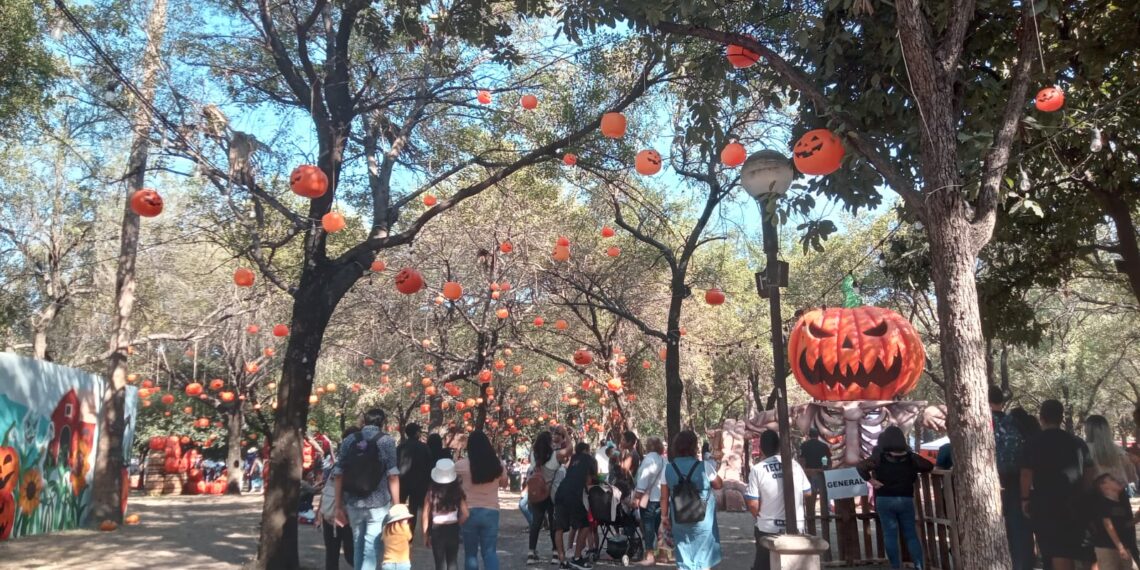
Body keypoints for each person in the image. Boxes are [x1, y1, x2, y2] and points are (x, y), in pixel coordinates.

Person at [1021, 399, 1095, 570]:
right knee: (1079, 548)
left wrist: (1024, 498)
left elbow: (1026, 473)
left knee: (1057, 550)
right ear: (1061, 418)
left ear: (1042, 418)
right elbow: (1089, 470)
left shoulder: (1032, 442)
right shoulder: (1077, 442)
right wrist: (1085, 492)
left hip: (1046, 504)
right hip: (1075, 502)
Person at [332, 408, 401, 570]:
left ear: (364, 421)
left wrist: (338, 505)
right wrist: (397, 504)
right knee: (372, 546)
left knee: (358, 544)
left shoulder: (349, 440)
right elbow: (392, 475)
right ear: (383, 422)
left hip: (353, 501)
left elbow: (338, 473)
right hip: (378, 502)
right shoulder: (387, 441)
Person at [856, 426, 933, 570]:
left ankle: (895, 567)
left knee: (890, 535)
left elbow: (860, 467)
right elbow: (928, 466)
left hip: (884, 498)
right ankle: (919, 566)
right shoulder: (911, 457)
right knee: (911, 535)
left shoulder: (879, 457)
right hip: (905, 498)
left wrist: (871, 481)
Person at [747, 430, 812, 570]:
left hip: (768, 528)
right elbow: (807, 492)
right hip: (797, 525)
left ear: (761, 448)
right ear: (778, 446)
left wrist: (762, 515)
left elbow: (753, 503)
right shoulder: (794, 465)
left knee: (763, 565)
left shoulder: (758, 469)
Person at [661, 430, 723, 570]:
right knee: (704, 556)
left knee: (684, 553)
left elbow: (664, 497)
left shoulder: (667, 469)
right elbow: (719, 484)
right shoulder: (704, 467)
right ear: (694, 447)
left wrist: (664, 517)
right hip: (703, 518)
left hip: (679, 517)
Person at [990, 387, 1031, 570]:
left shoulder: (982, 422)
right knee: (1017, 529)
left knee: (993, 528)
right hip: (1016, 481)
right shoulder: (1015, 422)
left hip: (989, 482)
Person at [455, 430, 508, 570]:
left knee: (470, 554)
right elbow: (504, 483)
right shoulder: (498, 465)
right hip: (491, 511)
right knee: (490, 552)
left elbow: (450, 478)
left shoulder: (461, 465)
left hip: (469, 512)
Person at [317, 428, 357, 570]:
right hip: (346, 514)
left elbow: (330, 488)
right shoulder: (357, 462)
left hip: (335, 513)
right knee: (350, 554)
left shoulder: (342, 463)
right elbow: (329, 487)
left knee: (336, 554)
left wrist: (321, 512)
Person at [554, 441, 597, 570]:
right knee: (584, 524)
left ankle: (562, 560)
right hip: (573, 494)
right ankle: (577, 558)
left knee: (559, 528)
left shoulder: (573, 458)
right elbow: (589, 480)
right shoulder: (589, 459)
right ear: (586, 450)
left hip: (561, 492)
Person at [423, 458, 469, 570]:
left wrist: (425, 535)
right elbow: (466, 513)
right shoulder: (457, 491)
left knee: (439, 563)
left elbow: (425, 515)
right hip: (452, 528)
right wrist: (458, 522)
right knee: (452, 561)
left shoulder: (431, 492)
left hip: (436, 529)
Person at [1089, 473, 1140, 570]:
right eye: (1112, 479)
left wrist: (1136, 520)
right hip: (1106, 547)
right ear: (1103, 486)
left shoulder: (1121, 504)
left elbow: (1123, 525)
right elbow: (1108, 526)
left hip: (1123, 545)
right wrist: (1120, 547)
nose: (1116, 480)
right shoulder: (1102, 503)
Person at [526, 431, 559, 565]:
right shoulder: (554, 456)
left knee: (536, 523)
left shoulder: (533, 456)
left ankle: (531, 552)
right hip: (550, 493)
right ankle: (555, 553)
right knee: (553, 523)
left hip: (536, 493)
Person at [632, 436, 666, 566]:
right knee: (658, 527)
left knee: (648, 527)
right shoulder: (663, 460)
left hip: (649, 499)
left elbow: (643, 481)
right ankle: (661, 554)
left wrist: (636, 497)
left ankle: (650, 555)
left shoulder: (648, 460)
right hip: (660, 498)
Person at [397, 422, 434, 536]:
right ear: (416, 433)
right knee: (413, 509)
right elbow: (429, 466)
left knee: (400, 507)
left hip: (402, 481)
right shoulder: (424, 448)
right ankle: (410, 534)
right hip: (419, 483)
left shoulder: (400, 447)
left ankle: (398, 530)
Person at [1085, 415, 1138, 488]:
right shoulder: (1119, 451)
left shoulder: (1084, 450)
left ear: (1087, 430)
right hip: (1118, 494)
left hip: (1094, 494)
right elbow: (1131, 476)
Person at [381, 503, 414, 570]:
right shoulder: (405, 528)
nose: (407, 520)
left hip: (388, 563)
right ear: (400, 519)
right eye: (406, 518)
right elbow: (409, 537)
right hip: (403, 562)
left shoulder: (385, 529)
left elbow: (383, 539)